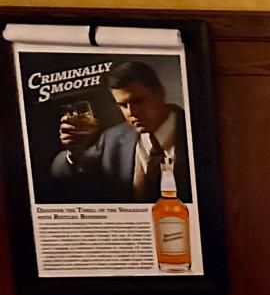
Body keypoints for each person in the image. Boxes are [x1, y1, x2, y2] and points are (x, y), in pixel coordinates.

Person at [51, 60, 191, 203]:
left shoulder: (196, 129)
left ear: (160, 93)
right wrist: (74, 152)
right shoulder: (112, 138)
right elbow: (65, 172)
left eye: (138, 101)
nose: (132, 112)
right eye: (123, 105)